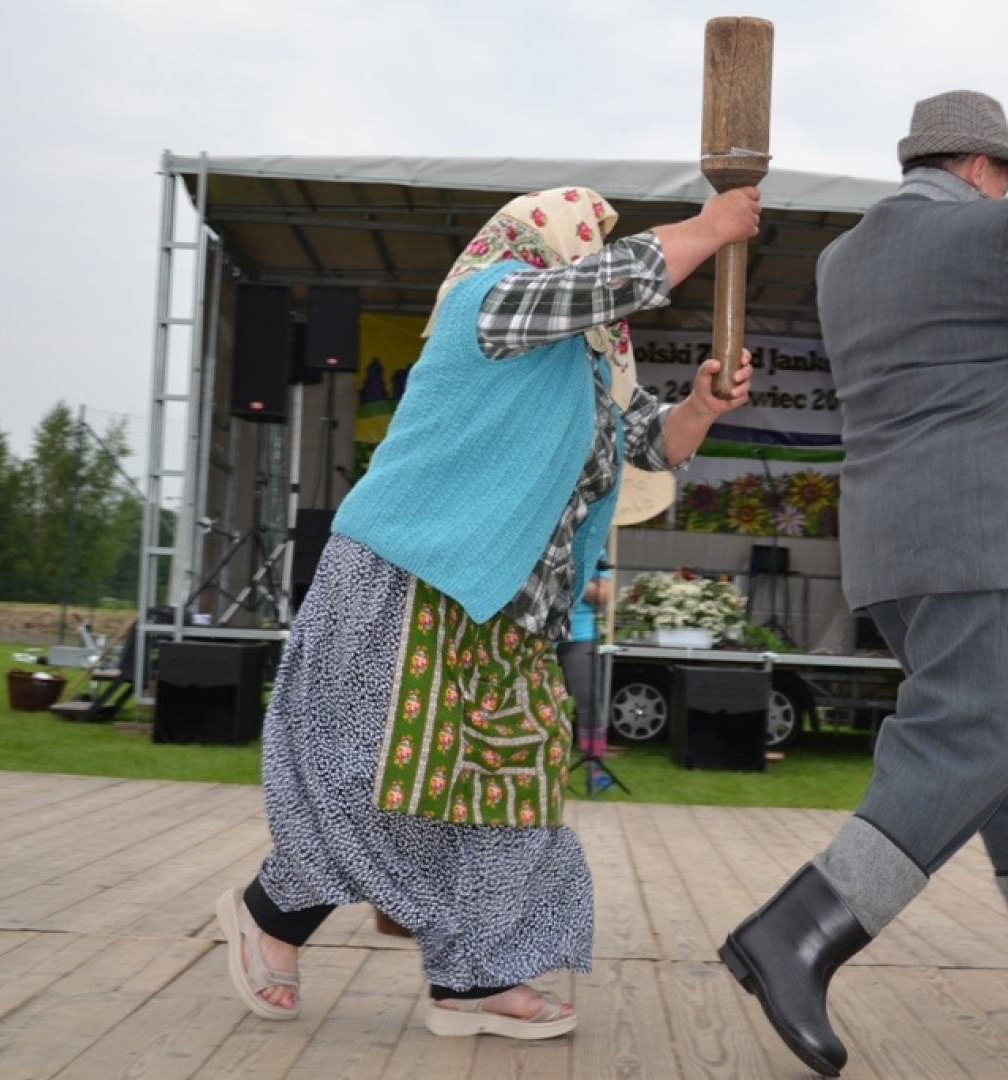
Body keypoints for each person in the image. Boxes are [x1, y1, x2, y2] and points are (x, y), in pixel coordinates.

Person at [215, 183, 761, 1039]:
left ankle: (475, 979)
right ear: (543, 239)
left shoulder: (582, 359)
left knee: (513, 787)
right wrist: (708, 228)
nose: (595, 244)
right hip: (408, 578)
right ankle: (271, 914)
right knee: (375, 775)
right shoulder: (491, 298)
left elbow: (648, 441)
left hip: (510, 612)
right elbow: (602, 286)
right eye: (589, 234)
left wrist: (699, 404)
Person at [718, 90, 1008, 1076]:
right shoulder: (1002, 230)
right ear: (979, 168)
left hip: (890, 538)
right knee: (965, 738)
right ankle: (797, 932)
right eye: (1005, 177)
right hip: (979, 530)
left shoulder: (843, 257)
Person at [558, 553, 615, 793]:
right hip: (539, 634)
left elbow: (603, 595)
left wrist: (577, 580)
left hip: (579, 635)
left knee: (590, 703)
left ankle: (595, 772)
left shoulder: (595, 546)